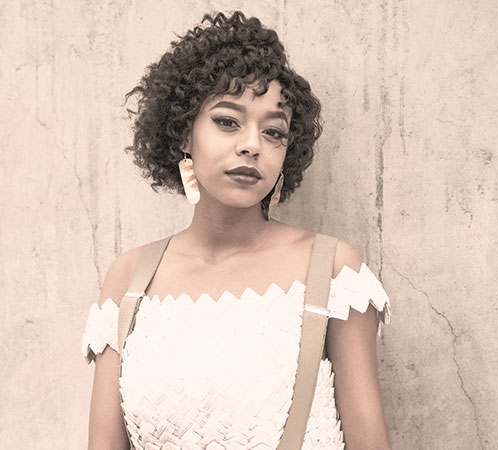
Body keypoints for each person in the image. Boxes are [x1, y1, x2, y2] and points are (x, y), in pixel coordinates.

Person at [81, 11, 392, 450]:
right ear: (182, 134)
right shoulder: (130, 279)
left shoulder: (333, 272)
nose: (252, 144)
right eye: (228, 121)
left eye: (273, 132)